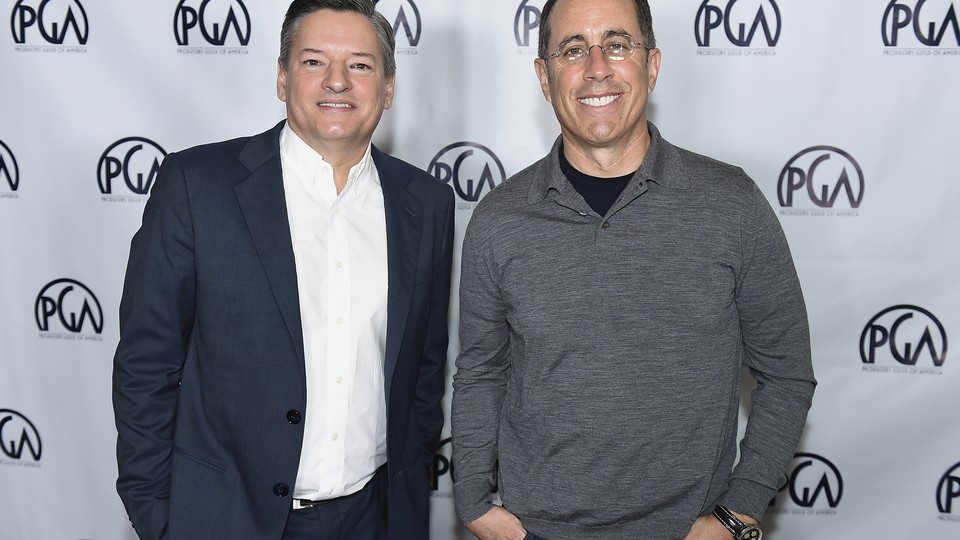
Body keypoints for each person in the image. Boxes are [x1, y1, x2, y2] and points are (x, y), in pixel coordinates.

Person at [451, 0, 816, 539]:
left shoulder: (731, 204)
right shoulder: (499, 219)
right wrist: (474, 504)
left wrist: (737, 513)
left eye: (618, 45)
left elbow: (786, 372)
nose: (597, 67)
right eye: (573, 50)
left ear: (652, 65)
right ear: (543, 78)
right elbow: (481, 372)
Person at [112, 1, 453, 539]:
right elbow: (146, 366)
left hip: (375, 517)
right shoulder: (197, 187)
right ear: (281, 77)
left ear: (388, 89)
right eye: (314, 61)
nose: (337, 82)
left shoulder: (426, 202)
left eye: (361, 65)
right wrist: (161, 518)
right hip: (225, 519)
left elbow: (424, 370)